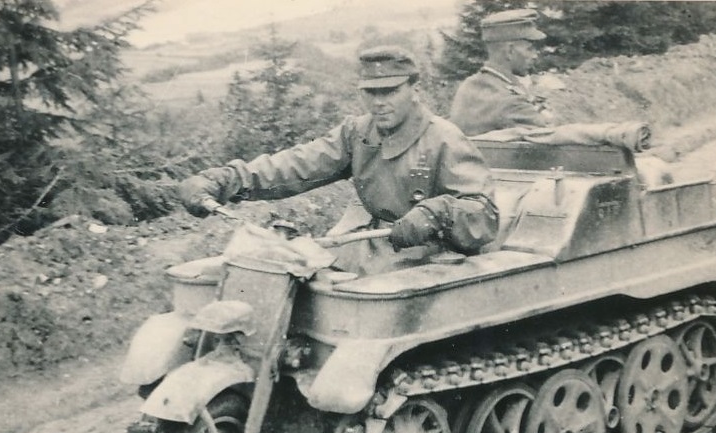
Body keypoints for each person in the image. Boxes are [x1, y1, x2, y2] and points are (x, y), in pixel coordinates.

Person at [180, 46, 498, 276]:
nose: (379, 102)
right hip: (372, 247)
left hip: (432, 258)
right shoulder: (357, 133)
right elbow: (298, 165)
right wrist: (226, 179)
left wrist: (434, 213)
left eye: (390, 91)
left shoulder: (444, 138)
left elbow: (483, 216)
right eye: (370, 92)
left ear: (415, 89)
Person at [448, 9, 552, 137]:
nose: (535, 56)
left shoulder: (469, 85)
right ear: (509, 51)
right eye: (529, 49)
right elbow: (548, 136)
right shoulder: (510, 101)